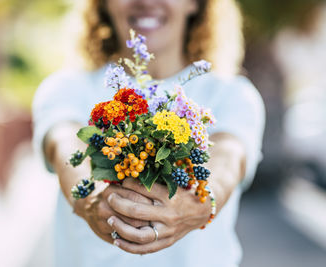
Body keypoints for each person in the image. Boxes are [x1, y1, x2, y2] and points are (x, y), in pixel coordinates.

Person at [32, 0, 265, 266]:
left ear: (195, 4)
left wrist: (202, 202)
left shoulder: (233, 95)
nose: (145, 2)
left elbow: (228, 157)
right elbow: (64, 142)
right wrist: (92, 197)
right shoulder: (66, 88)